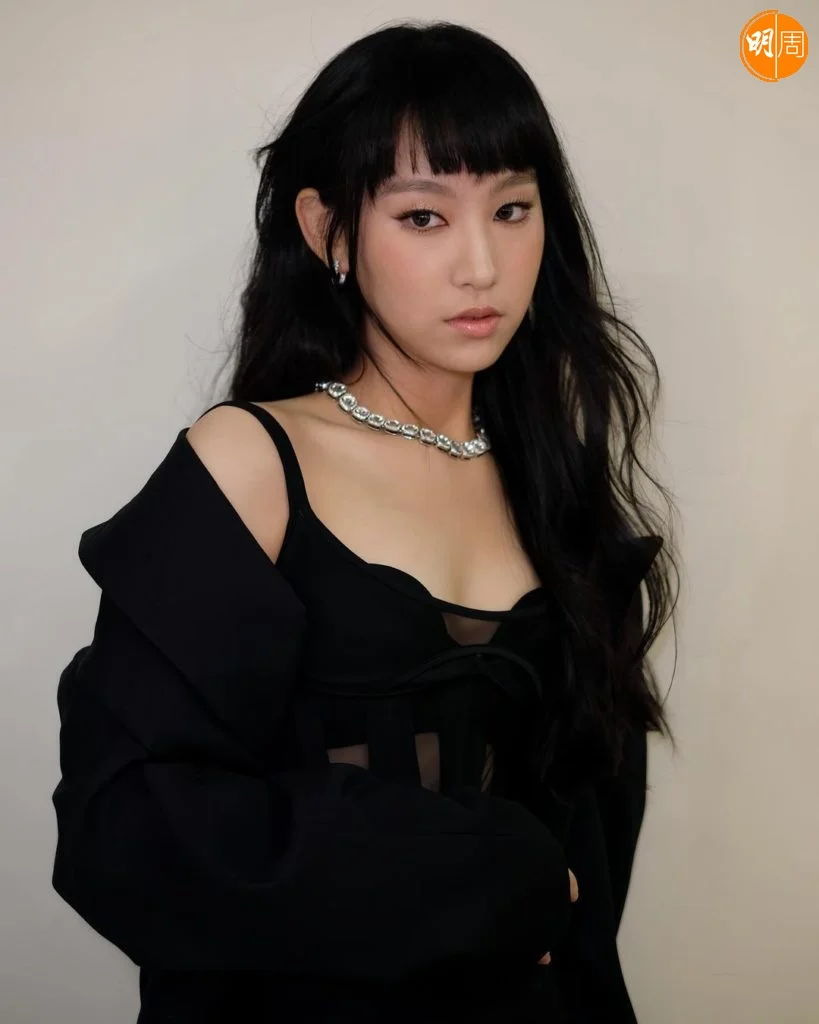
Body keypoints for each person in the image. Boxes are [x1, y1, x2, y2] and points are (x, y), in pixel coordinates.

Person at [50, 19, 679, 1024]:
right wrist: (490, 869)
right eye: (424, 216)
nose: (481, 264)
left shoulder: (558, 487)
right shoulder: (252, 463)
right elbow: (125, 826)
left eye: (512, 209)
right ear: (329, 231)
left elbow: (589, 888)